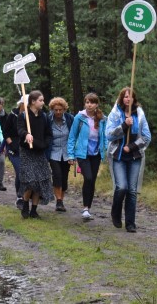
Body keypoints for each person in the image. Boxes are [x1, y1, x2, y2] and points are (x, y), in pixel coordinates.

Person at [105, 87, 151, 233]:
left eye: (130, 96)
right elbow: (109, 135)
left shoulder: (139, 115)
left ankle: (130, 223)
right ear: (122, 98)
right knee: (122, 187)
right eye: (125, 96)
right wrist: (124, 125)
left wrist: (131, 147)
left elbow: (146, 137)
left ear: (134, 99)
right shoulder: (115, 114)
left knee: (132, 190)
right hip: (117, 155)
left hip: (134, 156)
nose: (127, 99)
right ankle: (116, 212)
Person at [67, 93, 107, 221]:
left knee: (92, 180)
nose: (89, 104)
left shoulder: (102, 118)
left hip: (96, 153)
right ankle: (85, 208)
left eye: (92, 102)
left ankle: (88, 209)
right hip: (82, 153)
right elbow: (72, 136)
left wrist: (104, 152)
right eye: (87, 102)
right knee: (88, 178)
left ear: (96, 104)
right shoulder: (79, 117)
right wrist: (71, 155)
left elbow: (104, 137)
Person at [17, 91, 53, 219]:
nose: (43, 103)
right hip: (27, 151)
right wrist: (26, 134)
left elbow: (49, 134)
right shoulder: (23, 116)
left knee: (40, 180)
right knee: (31, 180)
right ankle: (25, 204)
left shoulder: (44, 117)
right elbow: (20, 130)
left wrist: (45, 144)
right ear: (33, 101)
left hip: (39, 151)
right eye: (41, 100)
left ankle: (34, 210)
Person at [47, 97, 74, 212]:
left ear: (64, 109)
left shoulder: (70, 119)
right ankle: (58, 201)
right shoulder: (48, 119)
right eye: (55, 110)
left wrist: (73, 154)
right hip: (53, 151)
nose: (58, 112)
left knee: (64, 178)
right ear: (52, 109)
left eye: (60, 110)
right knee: (57, 175)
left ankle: (61, 200)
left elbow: (74, 136)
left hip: (67, 152)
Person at [3, 97, 25, 208]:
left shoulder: (31, 116)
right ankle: (19, 197)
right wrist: (10, 143)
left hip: (26, 149)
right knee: (20, 171)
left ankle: (28, 194)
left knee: (26, 172)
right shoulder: (13, 115)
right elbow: (5, 131)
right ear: (21, 104)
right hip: (14, 149)